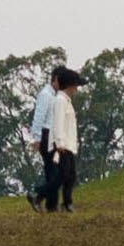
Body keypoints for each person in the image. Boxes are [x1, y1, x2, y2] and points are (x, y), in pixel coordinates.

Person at [31, 65, 86, 212]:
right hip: (61, 143)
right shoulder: (58, 100)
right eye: (75, 85)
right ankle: (41, 196)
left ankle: (63, 203)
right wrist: (59, 143)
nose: (77, 89)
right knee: (61, 175)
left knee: (68, 175)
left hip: (65, 143)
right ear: (69, 85)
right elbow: (57, 123)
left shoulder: (64, 100)